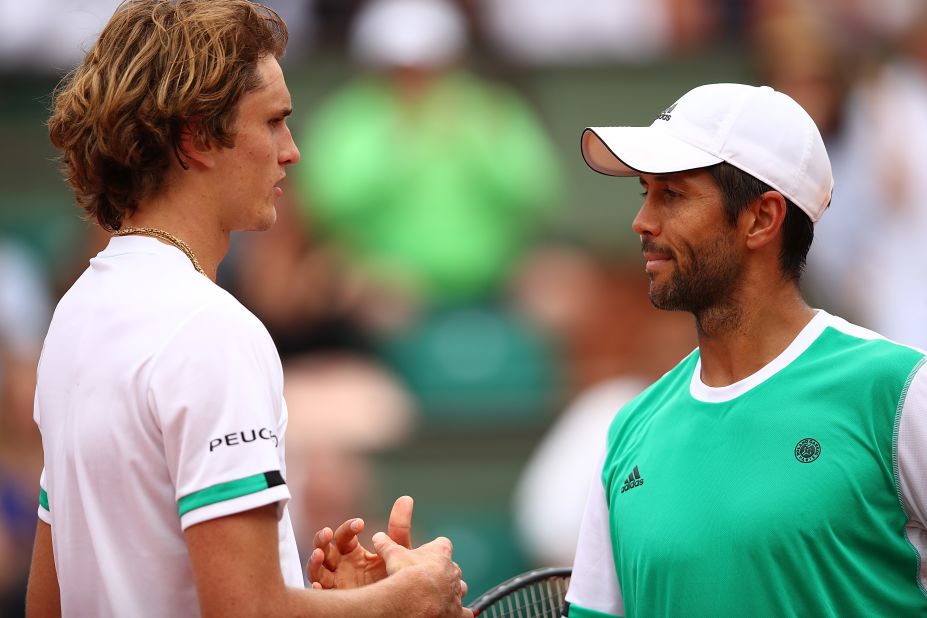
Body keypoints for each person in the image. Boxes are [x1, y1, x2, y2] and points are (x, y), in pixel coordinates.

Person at [26, 1, 469, 616]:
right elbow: (249, 612)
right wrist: (408, 596)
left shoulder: (73, 317)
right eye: (274, 122)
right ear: (197, 138)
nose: (291, 152)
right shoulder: (211, 329)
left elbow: (50, 605)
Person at [563, 83, 927, 616]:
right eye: (644, 193)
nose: (642, 221)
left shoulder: (898, 393)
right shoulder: (628, 433)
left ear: (762, 218)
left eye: (673, 195)